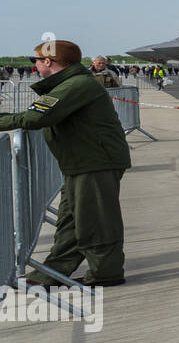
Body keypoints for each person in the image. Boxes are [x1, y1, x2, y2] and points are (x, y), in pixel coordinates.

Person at [0, 40, 131, 288]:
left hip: (94, 162)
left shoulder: (75, 85)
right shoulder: (71, 84)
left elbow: (34, 117)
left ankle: (106, 273)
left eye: (36, 61)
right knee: (70, 223)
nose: (35, 66)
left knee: (97, 221)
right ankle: (50, 274)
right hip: (82, 162)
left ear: (48, 61)